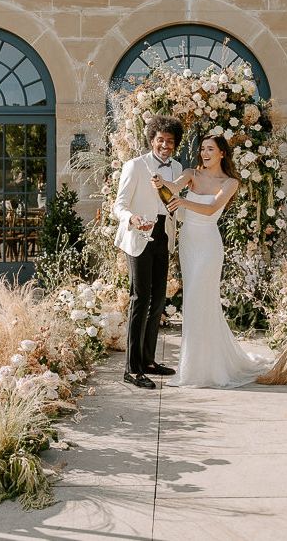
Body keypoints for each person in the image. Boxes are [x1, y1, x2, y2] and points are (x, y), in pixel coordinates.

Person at [151, 133, 270, 388]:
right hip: (189, 243)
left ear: (222, 153)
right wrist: (162, 182)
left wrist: (183, 202)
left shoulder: (230, 183)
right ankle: (195, 367)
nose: (205, 153)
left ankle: (207, 369)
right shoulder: (191, 173)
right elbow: (172, 188)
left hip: (208, 244)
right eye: (202, 149)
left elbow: (210, 209)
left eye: (210, 149)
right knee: (193, 303)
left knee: (199, 298)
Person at [114, 115, 184, 389]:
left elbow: (174, 202)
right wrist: (131, 218)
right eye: (160, 140)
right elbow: (118, 205)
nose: (165, 145)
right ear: (152, 140)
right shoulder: (135, 165)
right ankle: (131, 369)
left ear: (175, 144)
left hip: (163, 236)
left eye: (170, 141)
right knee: (140, 298)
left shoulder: (177, 167)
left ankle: (148, 360)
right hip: (138, 235)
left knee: (158, 301)